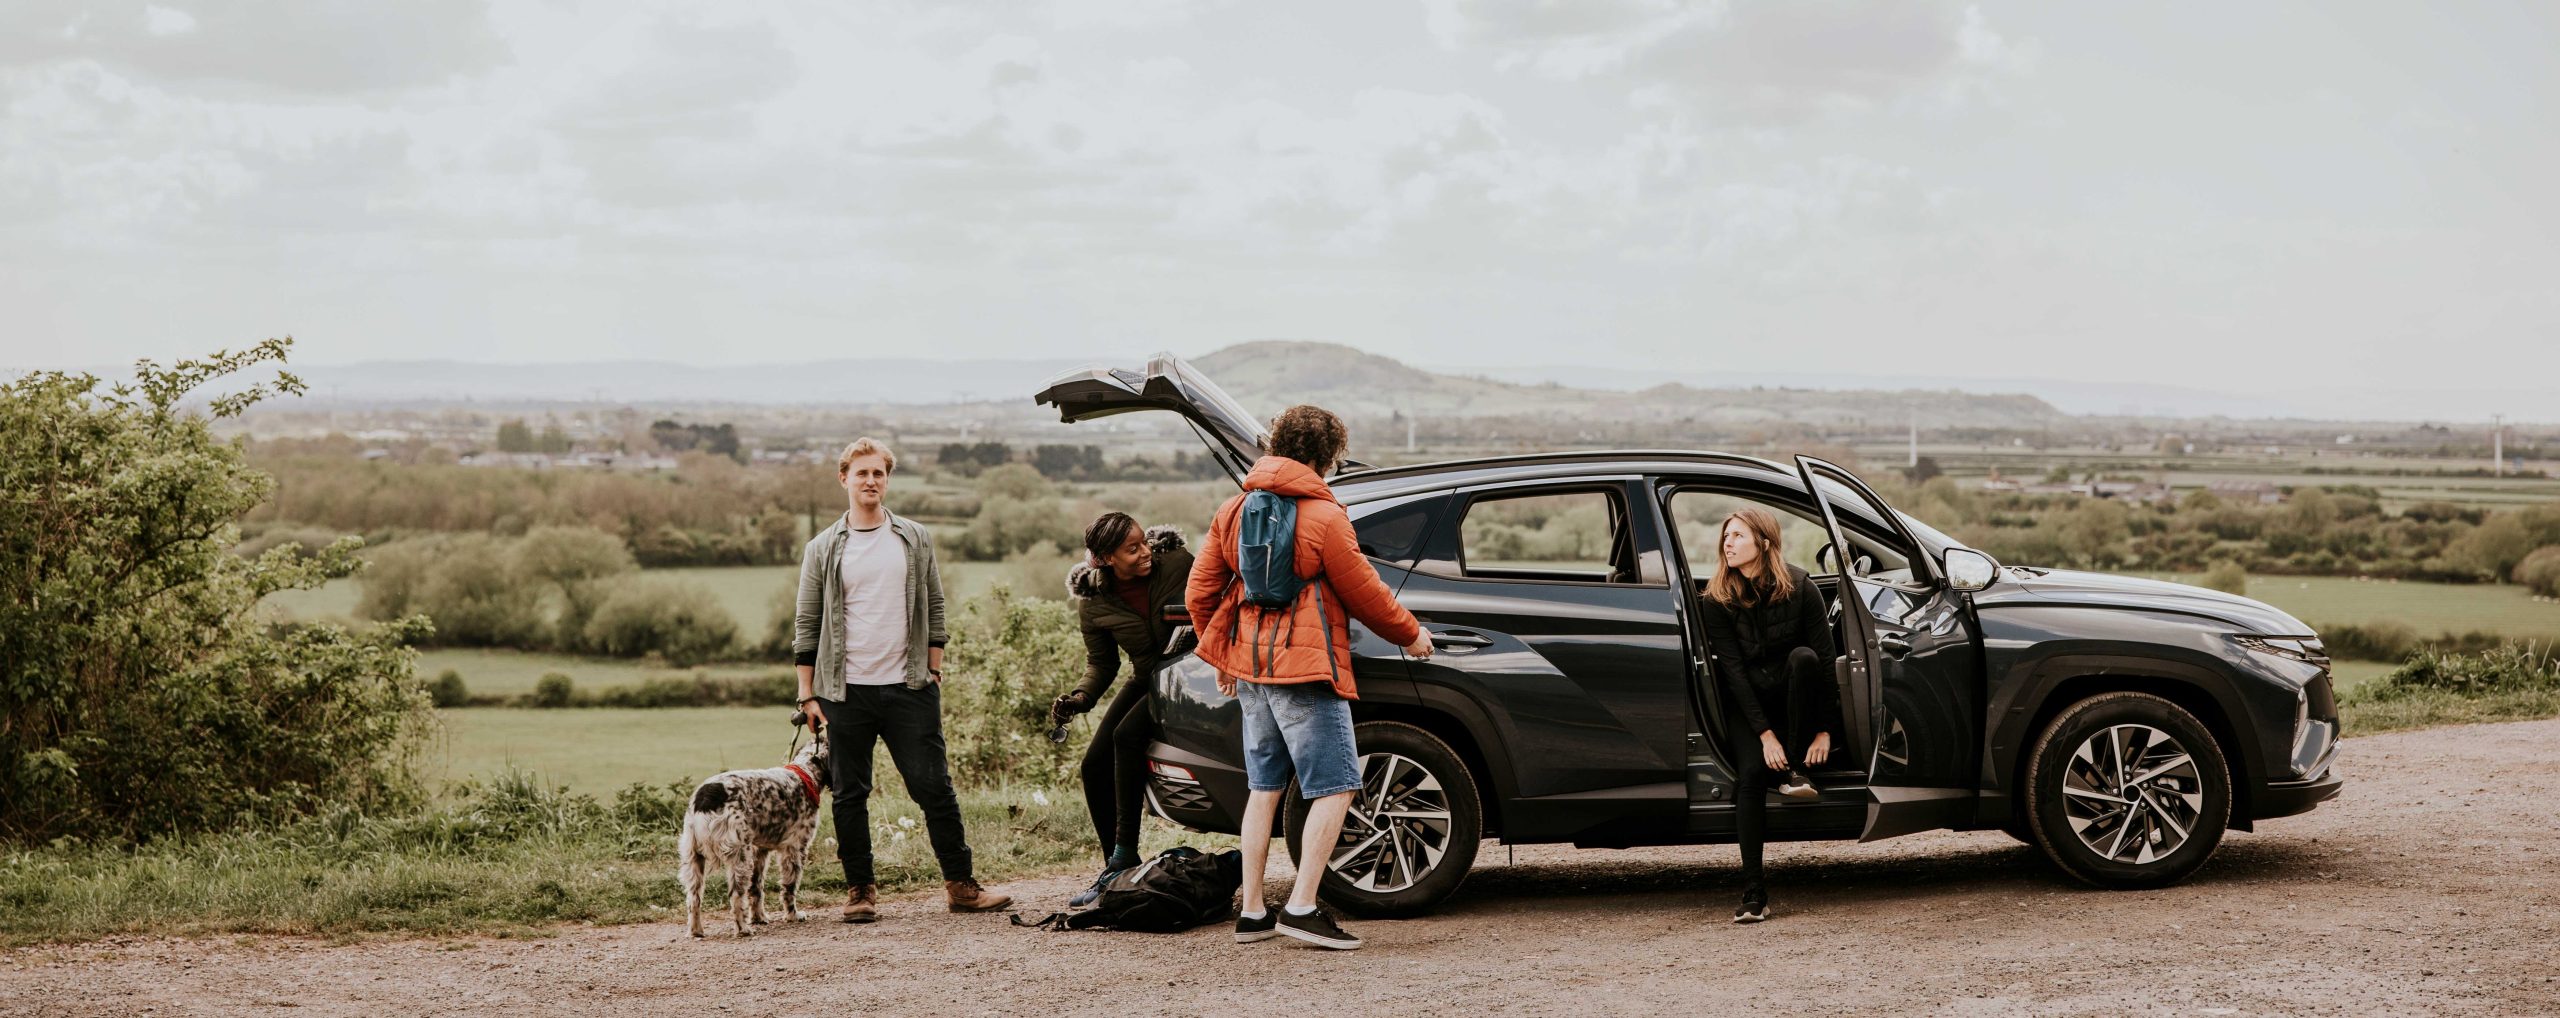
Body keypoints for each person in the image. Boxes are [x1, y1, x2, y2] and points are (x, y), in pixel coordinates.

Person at [1186, 405, 1435, 951]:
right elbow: (1364, 591)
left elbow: (1198, 594)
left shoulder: (1233, 509)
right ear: (1327, 457)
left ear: (1276, 445)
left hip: (1252, 673)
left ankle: (1252, 912)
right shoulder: (1325, 518)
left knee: (1264, 787)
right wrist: (1410, 634)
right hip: (1305, 673)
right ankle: (1300, 907)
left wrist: (1224, 658)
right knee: (1338, 783)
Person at [792, 437, 1013, 923]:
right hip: (843, 691)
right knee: (850, 793)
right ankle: (860, 893)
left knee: (934, 787)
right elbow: (807, 623)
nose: (871, 481)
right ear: (844, 478)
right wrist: (807, 694)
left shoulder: (913, 538)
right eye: (862, 473)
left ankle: (961, 886)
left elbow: (935, 607)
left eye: (879, 473)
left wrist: (933, 667)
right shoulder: (822, 548)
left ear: (887, 479)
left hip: (909, 686)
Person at [1694, 506, 1840, 925]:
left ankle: (1793, 769)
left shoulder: (1801, 587)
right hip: (1748, 706)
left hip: (1797, 700)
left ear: (1764, 541)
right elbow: (1735, 675)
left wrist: (1823, 732)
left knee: (1804, 657)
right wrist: (1765, 735)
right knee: (1751, 777)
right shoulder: (1717, 599)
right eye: (1726, 536)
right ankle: (1754, 892)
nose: (1728, 543)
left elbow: (1826, 664)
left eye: (1738, 535)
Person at [1050, 512, 1196, 905]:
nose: (1145, 552)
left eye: (1143, 543)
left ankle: (1125, 851)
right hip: (1146, 677)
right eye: (1132, 549)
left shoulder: (1178, 563)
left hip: (1188, 674)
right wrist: (1079, 698)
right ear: (1106, 558)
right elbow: (1102, 664)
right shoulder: (1094, 603)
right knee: (1092, 764)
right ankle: (1116, 868)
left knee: (1126, 736)